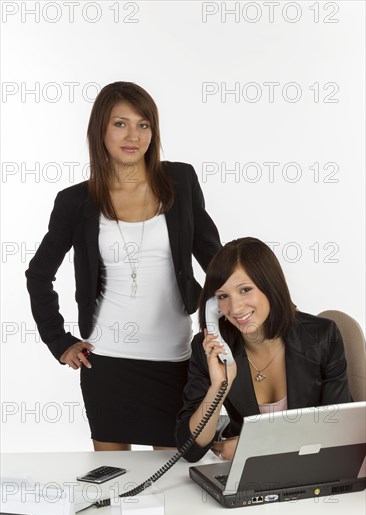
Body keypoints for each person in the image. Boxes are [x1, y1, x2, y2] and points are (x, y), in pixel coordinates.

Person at [25, 81, 222, 451]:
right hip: (108, 364)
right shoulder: (75, 202)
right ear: (100, 129)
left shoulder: (181, 181)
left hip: (174, 358)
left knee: (172, 482)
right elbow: (38, 275)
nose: (133, 135)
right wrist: (59, 341)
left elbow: (216, 261)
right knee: (115, 484)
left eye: (144, 124)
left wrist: (249, 306)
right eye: (120, 123)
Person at [175, 237, 352, 462]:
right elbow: (190, 449)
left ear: (269, 285)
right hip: (250, 478)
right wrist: (219, 386)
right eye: (222, 296)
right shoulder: (209, 348)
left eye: (245, 289)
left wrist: (255, 447)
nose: (235, 308)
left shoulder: (322, 337)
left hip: (314, 467)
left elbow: (339, 431)